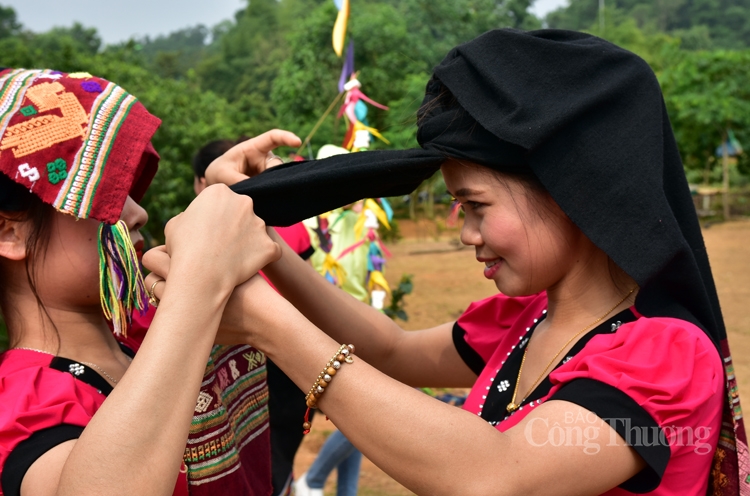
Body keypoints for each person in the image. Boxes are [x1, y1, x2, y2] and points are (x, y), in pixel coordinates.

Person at [149, 28, 748, 495]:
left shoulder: (664, 355)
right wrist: (265, 244)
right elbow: (392, 352)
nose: (465, 233)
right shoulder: (528, 320)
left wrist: (263, 322)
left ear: (571, 192)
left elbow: (496, 475)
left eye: (476, 205)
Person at [0, 69, 281, 495]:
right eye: (104, 193)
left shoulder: (147, 326)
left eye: (130, 190)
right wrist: (197, 288)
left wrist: (253, 200)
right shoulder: (23, 404)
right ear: (9, 233)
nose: (138, 213)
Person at [192, 139, 315, 496]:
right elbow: (307, 289)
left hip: (236, 357)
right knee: (279, 444)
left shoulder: (195, 232)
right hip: (294, 352)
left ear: (202, 182)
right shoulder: (290, 221)